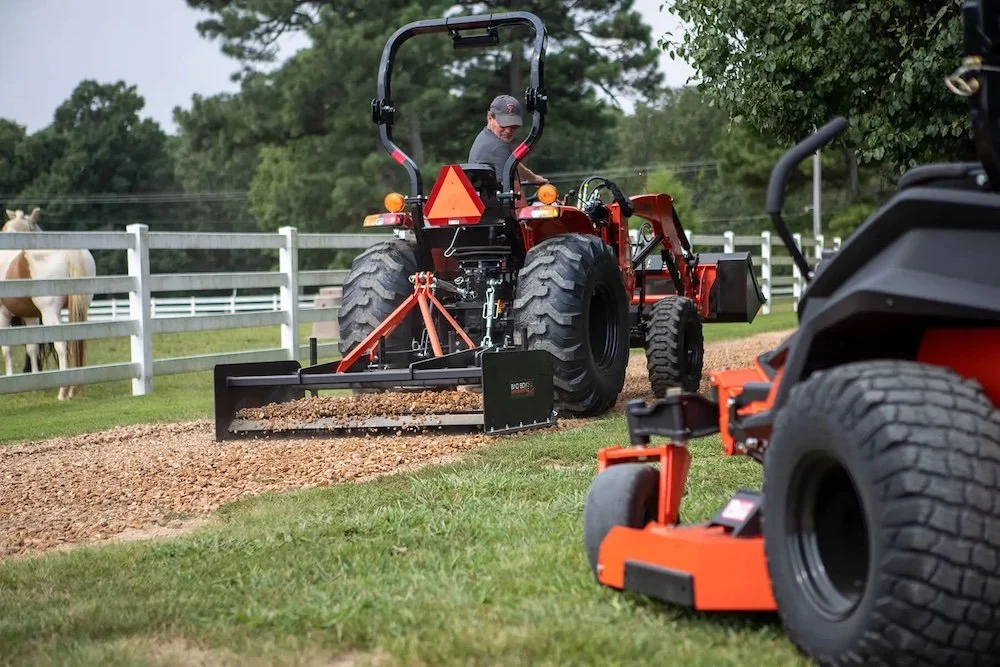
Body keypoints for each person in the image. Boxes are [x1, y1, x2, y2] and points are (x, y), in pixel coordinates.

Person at [468, 94, 548, 190]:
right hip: (492, 204)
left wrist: (533, 178)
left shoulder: (485, 137)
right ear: (490, 118)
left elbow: (511, 162)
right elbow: (517, 199)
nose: (509, 131)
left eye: (514, 126)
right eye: (503, 125)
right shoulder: (498, 148)